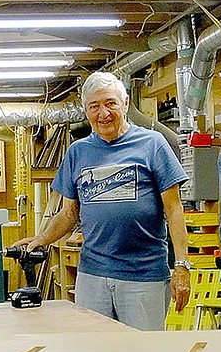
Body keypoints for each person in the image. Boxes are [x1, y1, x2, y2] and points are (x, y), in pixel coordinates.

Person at [15, 71, 191, 330]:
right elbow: (68, 213)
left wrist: (181, 266)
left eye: (110, 103)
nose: (103, 113)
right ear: (86, 111)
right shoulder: (78, 152)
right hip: (92, 275)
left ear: (126, 104)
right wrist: (41, 239)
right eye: (94, 106)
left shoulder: (153, 144)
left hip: (143, 276)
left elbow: (174, 209)